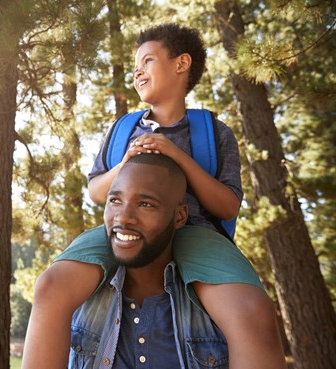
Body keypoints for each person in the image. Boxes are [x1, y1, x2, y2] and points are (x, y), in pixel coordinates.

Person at [22, 24, 286, 369]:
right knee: (51, 286)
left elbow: (227, 205)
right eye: (135, 65)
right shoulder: (122, 130)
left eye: (147, 60)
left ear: (181, 64)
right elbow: (97, 192)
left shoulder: (213, 132)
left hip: (195, 233)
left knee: (252, 311)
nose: (137, 71)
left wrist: (176, 155)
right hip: (121, 228)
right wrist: (126, 163)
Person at [69, 153, 228, 368]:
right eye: (115, 200)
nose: (123, 217)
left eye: (145, 204)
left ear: (179, 217)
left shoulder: (215, 310)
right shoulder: (76, 298)